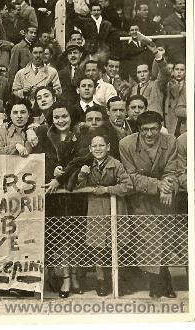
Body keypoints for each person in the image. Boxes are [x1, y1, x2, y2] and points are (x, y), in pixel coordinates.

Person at [119, 111, 179, 298]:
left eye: (154, 129)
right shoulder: (126, 144)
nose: (150, 134)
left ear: (160, 128)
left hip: (164, 198)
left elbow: (171, 169)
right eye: (145, 130)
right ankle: (158, 284)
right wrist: (159, 185)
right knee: (149, 240)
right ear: (138, 130)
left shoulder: (170, 141)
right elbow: (131, 176)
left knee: (166, 239)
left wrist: (167, 186)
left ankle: (163, 278)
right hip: (141, 199)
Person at [32, 101, 83, 298]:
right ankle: (65, 278)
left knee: (76, 236)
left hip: (73, 192)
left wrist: (59, 178)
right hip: (54, 197)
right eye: (57, 117)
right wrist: (50, 173)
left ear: (71, 118)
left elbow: (81, 159)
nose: (61, 120)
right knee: (60, 238)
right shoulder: (44, 136)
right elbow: (39, 160)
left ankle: (76, 276)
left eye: (64, 116)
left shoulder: (80, 135)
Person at [72, 131, 133, 296]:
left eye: (101, 145)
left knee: (117, 245)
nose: (98, 148)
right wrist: (82, 174)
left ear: (108, 147)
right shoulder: (87, 165)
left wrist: (106, 189)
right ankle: (101, 281)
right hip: (96, 209)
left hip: (116, 208)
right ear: (90, 148)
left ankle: (118, 280)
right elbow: (79, 186)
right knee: (98, 246)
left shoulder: (116, 164)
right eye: (95, 146)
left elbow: (127, 186)